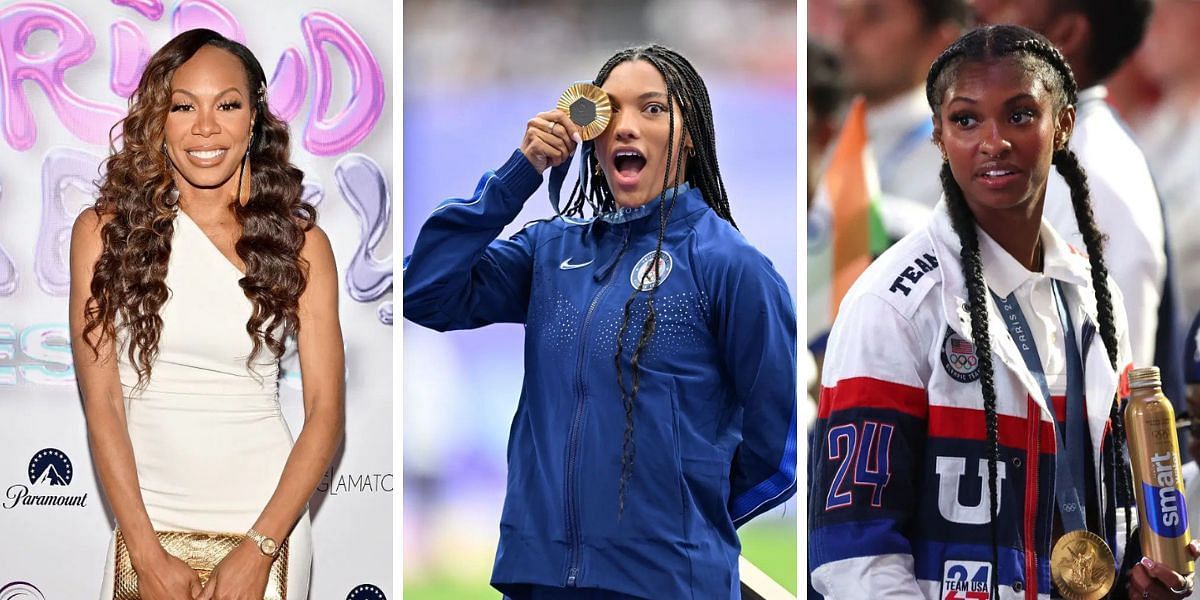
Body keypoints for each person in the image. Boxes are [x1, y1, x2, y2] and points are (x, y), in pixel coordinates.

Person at [809, 25, 1198, 599]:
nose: (993, 142)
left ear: (1062, 125)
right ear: (940, 136)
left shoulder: (1095, 296)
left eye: (1020, 115)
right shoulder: (892, 303)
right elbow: (856, 554)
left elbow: (1108, 504)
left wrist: (1133, 577)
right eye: (966, 120)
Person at [404, 44, 797, 599]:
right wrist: (520, 175)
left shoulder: (730, 265)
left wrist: (679, 518)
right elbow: (423, 289)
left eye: (653, 109)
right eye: (610, 109)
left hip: (667, 580)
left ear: (689, 134)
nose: (627, 126)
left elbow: (774, 442)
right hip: (539, 576)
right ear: (588, 128)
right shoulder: (550, 251)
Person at [69, 29, 344, 600]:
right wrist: (144, 555)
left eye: (227, 104)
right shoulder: (103, 233)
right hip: (148, 518)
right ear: (157, 119)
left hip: (265, 521)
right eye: (182, 105)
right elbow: (103, 402)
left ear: (253, 118)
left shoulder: (300, 243)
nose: (205, 127)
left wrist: (259, 549)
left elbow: (325, 413)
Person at [973, 0, 1186, 436]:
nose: (980, 8)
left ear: (1066, 35)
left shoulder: (1097, 174)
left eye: (1007, 3)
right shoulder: (1035, 155)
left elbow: (1113, 402)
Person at [837, 0, 969, 239]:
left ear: (941, 41)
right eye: (845, 15)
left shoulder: (957, 149)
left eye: (875, 16)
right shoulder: (822, 125)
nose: (847, 33)